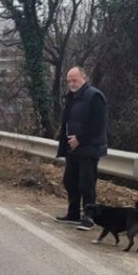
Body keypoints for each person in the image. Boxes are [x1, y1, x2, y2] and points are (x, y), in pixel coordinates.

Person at [55, 66, 107, 231]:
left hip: (89, 148)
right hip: (73, 148)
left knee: (86, 184)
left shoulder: (94, 96)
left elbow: (98, 125)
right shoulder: (72, 97)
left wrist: (80, 139)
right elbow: (68, 121)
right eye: (69, 80)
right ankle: (73, 214)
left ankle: (89, 217)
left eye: (74, 80)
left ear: (84, 78)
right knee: (70, 181)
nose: (71, 83)